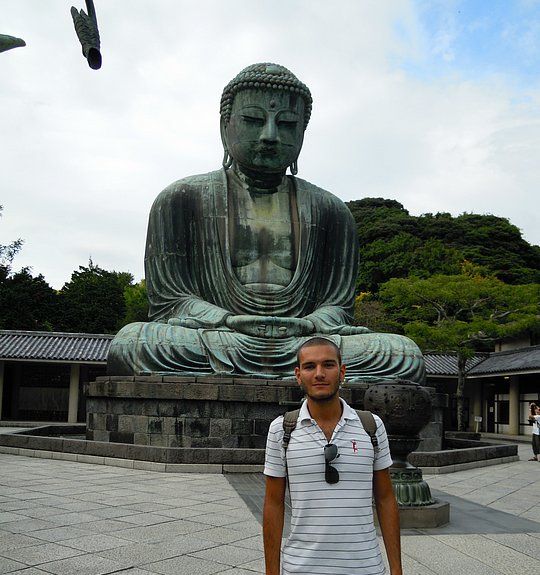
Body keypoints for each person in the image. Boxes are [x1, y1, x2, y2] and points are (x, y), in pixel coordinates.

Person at [107, 62, 425, 383]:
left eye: (286, 124)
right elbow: (171, 303)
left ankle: (301, 366)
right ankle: (298, 370)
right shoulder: (181, 199)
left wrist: (311, 324)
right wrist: (228, 321)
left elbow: (337, 307)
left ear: (302, 133)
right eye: (254, 120)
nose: (270, 135)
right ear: (225, 127)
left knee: (402, 354)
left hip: (305, 341)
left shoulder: (331, 211)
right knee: (133, 343)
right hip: (219, 338)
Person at [263, 336, 406, 575]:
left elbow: (386, 499)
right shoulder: (284, 429)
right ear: (297, 375)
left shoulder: (371, 426)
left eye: (328, 364)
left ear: (343, 371)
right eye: (309, 366)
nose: (319, 373)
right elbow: (273, 503)